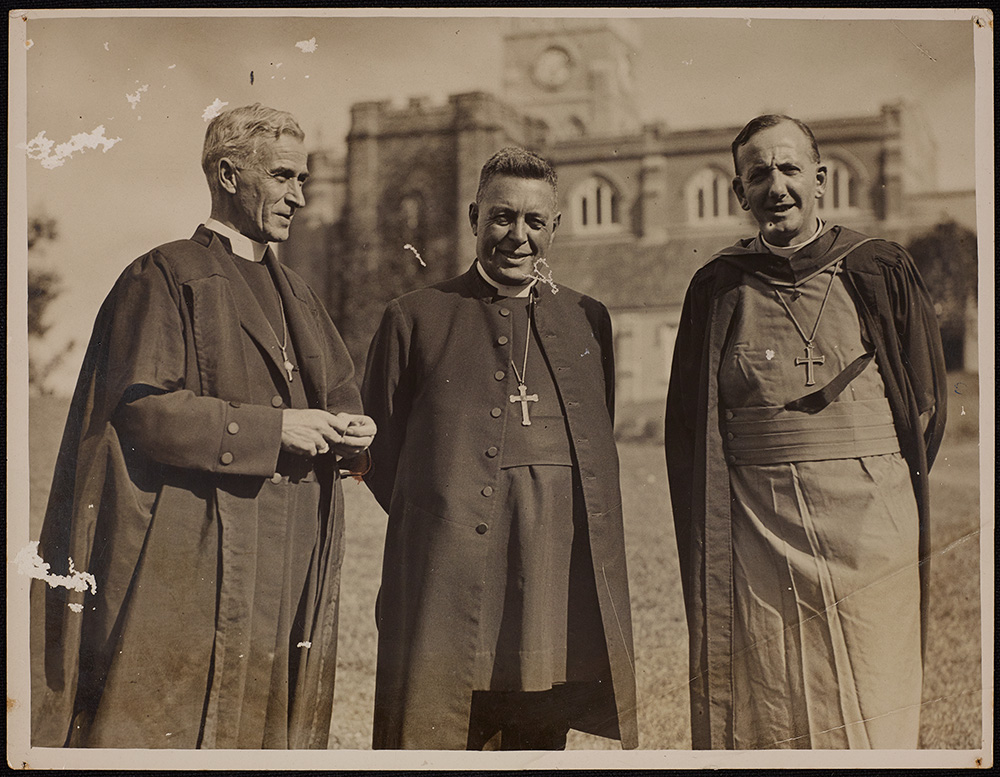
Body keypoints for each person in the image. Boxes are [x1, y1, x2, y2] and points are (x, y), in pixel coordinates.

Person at [32, 103, 376, 749]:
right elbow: (141, 412)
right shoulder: (163, 274)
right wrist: (275, 431)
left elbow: (335, 395)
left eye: (303, 179)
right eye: (282, 177)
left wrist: (352, 430)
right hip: (197, 554)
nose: (300, 196)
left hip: (290, 559)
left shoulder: (300, 294)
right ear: (227, 174)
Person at [666, 115, 947, 749]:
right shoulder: (716, 286)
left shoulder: (880, 267)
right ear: (740, 193)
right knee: (771, 688)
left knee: (873, 685)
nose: (777, 186)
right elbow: (691, 424)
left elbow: (925, 406)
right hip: (758, 521)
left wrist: (866, 471)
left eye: (790, 168)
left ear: (819, 178)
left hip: (870, 518)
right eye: (758, 174)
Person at [361, 147, 638, 750]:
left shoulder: (589, 319)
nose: (518, 236)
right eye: (501, 217)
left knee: (538, 740)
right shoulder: (414, 318)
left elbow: (592, 440)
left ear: (556, 227)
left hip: (548, 584)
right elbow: (387, 463)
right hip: (448, 575)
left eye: (535, 221)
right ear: (473, 218)